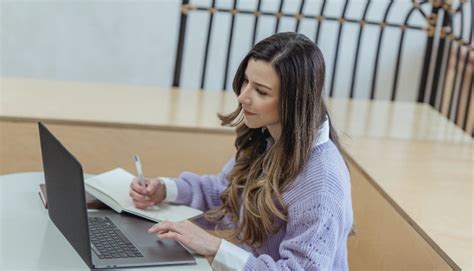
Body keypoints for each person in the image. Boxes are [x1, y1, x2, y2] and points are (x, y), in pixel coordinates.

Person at [129, 32, 353, 270]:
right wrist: (165, 190)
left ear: (295, 101)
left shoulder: (322, 183)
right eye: (246, 81)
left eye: (261, 91)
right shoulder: (266, 137)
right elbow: (227, 195)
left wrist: (215, 248)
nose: (243, 96)